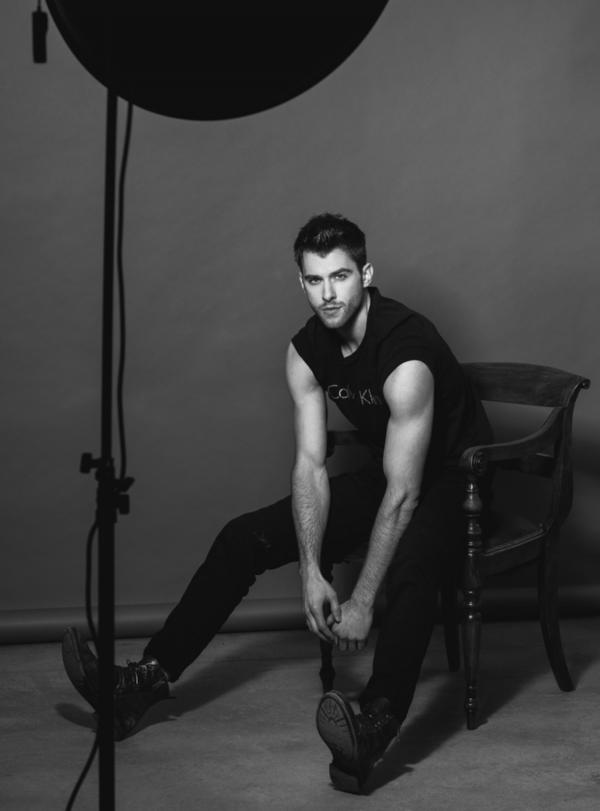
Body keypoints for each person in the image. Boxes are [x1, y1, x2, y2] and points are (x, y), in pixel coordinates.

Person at [62, 212, 492, 793]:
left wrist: (362, 599)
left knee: (410, 570)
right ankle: (144, 681)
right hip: (387, 468)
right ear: (302, 282)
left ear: (366, 274)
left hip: (457, 481)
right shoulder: (306, 351)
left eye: (340, 276)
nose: (328, 293)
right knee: (243, 538)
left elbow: (405, 493)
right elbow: (310, 466)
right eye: (315, 280)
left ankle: (374, 725)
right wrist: (310, 570)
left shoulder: (406, 351)